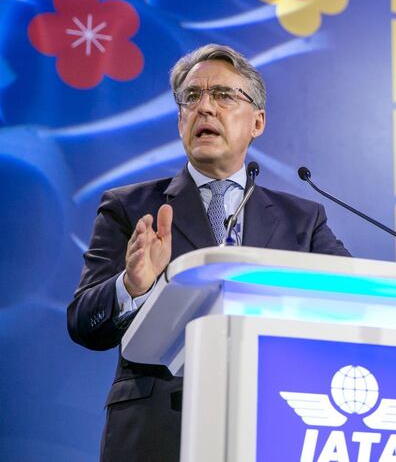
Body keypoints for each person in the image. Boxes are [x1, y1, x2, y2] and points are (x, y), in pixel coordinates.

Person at [67, 44, 350, 461]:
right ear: (181, 118)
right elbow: (83, 323)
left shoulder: (302, 219)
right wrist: (131, 286)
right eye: (191, 97)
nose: (205, 108)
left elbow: (356, 297)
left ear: (257, 121)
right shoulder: (131, 207)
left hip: (274, 422)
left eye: (223, 95)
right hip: (159, 430)